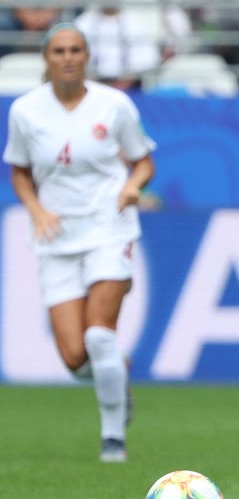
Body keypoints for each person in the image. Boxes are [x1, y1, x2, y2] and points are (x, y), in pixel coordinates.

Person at [2, 22, 156, 463]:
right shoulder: (26, 111)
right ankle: (117, 375)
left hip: (109, 227)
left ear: (86, 56)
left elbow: (144, 162)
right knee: (74, 357)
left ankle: (113, 440)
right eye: (58, 51)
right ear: (46, 59)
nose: (67, 57)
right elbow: (19, 170)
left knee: (99, 336)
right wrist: (35, 208)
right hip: (56, 236)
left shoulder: (114, 105)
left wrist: (132, 186)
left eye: (75, 50)